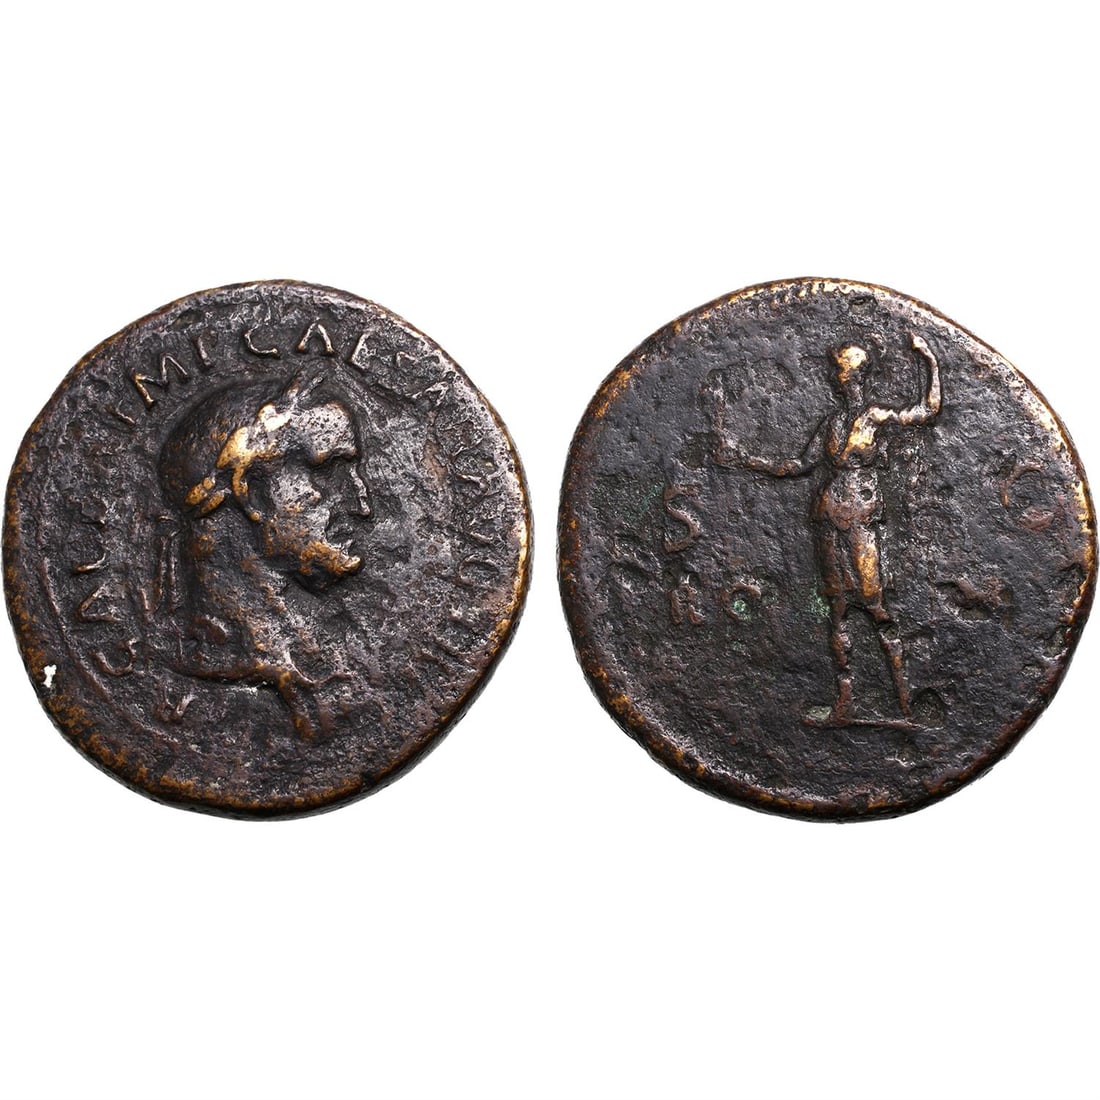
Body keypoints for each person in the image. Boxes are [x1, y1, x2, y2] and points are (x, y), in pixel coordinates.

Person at [711, 334, 941, 724]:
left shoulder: (876, 418)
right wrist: (745, 459)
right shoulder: (832, 423)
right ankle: (845, 703)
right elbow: (799, 465)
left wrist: (930, 359)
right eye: (840, 372)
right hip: (830, 514)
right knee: (838, 609)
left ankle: (904, 703)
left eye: (847, 372)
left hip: (862, 516)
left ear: (862, 376)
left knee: (875, 604)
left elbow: (928, 411)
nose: (842, 378)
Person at [158, 373, 373, 738]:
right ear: (252, 493)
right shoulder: (206, 664)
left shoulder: (305, 656)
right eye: (329, 472)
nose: (361, 505)